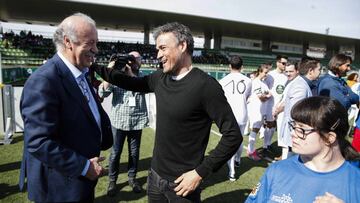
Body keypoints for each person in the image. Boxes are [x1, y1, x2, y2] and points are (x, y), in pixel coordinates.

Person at [93, 22, 242, 202]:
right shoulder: (159, 78)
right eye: (157, 49)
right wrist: (95, 67)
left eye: (163, 48)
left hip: (182, 185)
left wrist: (200, 173)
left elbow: (233, 135)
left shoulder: (206, 86)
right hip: (155, 178)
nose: (158, 55)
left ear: (183, 46)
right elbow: (129, 82)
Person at [19, 13, 113, 202]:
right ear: (68, 42)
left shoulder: (82, 72)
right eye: (90, 43)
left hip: (79, 181)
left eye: (96, 43)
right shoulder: (44, 81)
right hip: (60, 187)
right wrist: (84, 167)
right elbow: (39, 141)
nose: (96, 50)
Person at [246, 96, 360, 203]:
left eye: (302, 130)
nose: (292, 133)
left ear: (330, 138)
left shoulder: (355, 181)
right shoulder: (277, 170)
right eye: (293, 126)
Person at [98, 51, 149, 196]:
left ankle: (132, 179)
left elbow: (143, 89)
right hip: (119, 121)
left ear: (140, 62)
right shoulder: (117, 75)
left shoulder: (143, 76)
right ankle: (112, 181)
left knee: (134, 153)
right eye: (130, 59)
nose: (132, 62)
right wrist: (110, 70)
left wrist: (130, 74)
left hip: (136, 121)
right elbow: (102, 93)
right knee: (115, 153)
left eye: (136, 59)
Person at [276, 57, 321, 160]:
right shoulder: (300, 86)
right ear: (310, 71)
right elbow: (295, 113)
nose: (320, 72)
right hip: (296, 135)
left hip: (297, 134)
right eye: (319, 70)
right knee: (292, 165)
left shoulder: (301, 83)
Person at [219, 55, 252, 181]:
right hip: (242, 114)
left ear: (229, 66)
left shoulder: (223, 81)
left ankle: (232, 171)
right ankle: (237, 160)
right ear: (242, 67)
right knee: (239, 140)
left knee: (230, 142)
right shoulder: (248, 81)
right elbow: (248, 97)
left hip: (229, 115)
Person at [260, 55, 288, 156]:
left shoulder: (286, 76)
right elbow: (263, 87)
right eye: (283, 63)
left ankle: (271, 145)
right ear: (278, 63)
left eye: (286, 63)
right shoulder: (270, 75)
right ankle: (265, 146)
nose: (285, 65)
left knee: (277, 127)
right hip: (270, 104)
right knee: (270, 125)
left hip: (281, 106)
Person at [247, 64, 272, 161]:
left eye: (267, 73)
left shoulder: (263, 83)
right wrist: (267, 96)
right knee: (254, 130)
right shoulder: (256, 82)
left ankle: (251, 149)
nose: (266, 75)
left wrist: (266, 95)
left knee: (256, 130)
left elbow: (266, 93)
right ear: (260, 71)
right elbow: (261, 97)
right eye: (265, 73)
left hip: (262, 110)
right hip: (256, 110)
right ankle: (250, 151)